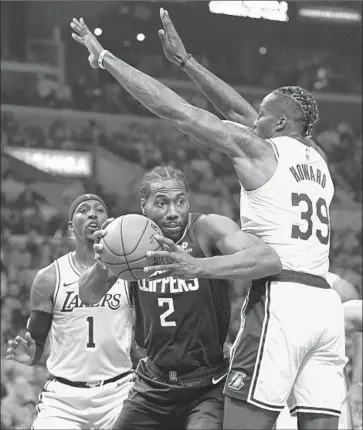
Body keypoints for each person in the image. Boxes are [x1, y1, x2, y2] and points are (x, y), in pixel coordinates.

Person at [70, 15, 346, 430]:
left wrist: (106, 58)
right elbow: (239, 108)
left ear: (280, 125)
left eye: (262, 119)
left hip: (282, 298)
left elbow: (175, 109)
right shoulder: (315, 157)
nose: (251, 122)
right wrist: (186, 62)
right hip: (324, 305)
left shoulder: (257, 154)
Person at [78, 166, 282, 430]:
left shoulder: (206, 229)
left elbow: (269, 260)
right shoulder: (126, 237)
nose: (173, 212)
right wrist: (102, 262)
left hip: (207, 384)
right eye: (161, 203)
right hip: (153, 383)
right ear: (144, 206)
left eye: (180, 201)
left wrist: (198, 266)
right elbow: (87, 295)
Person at [6, 194, 135, 430]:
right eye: (83, 210)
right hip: (63, 397)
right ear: (70, 227)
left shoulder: (127, 273)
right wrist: (30, 355)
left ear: (109, 221)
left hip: (119, 392)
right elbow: (36, 343)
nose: (93, 214)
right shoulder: (48, 278)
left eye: (100, 210)